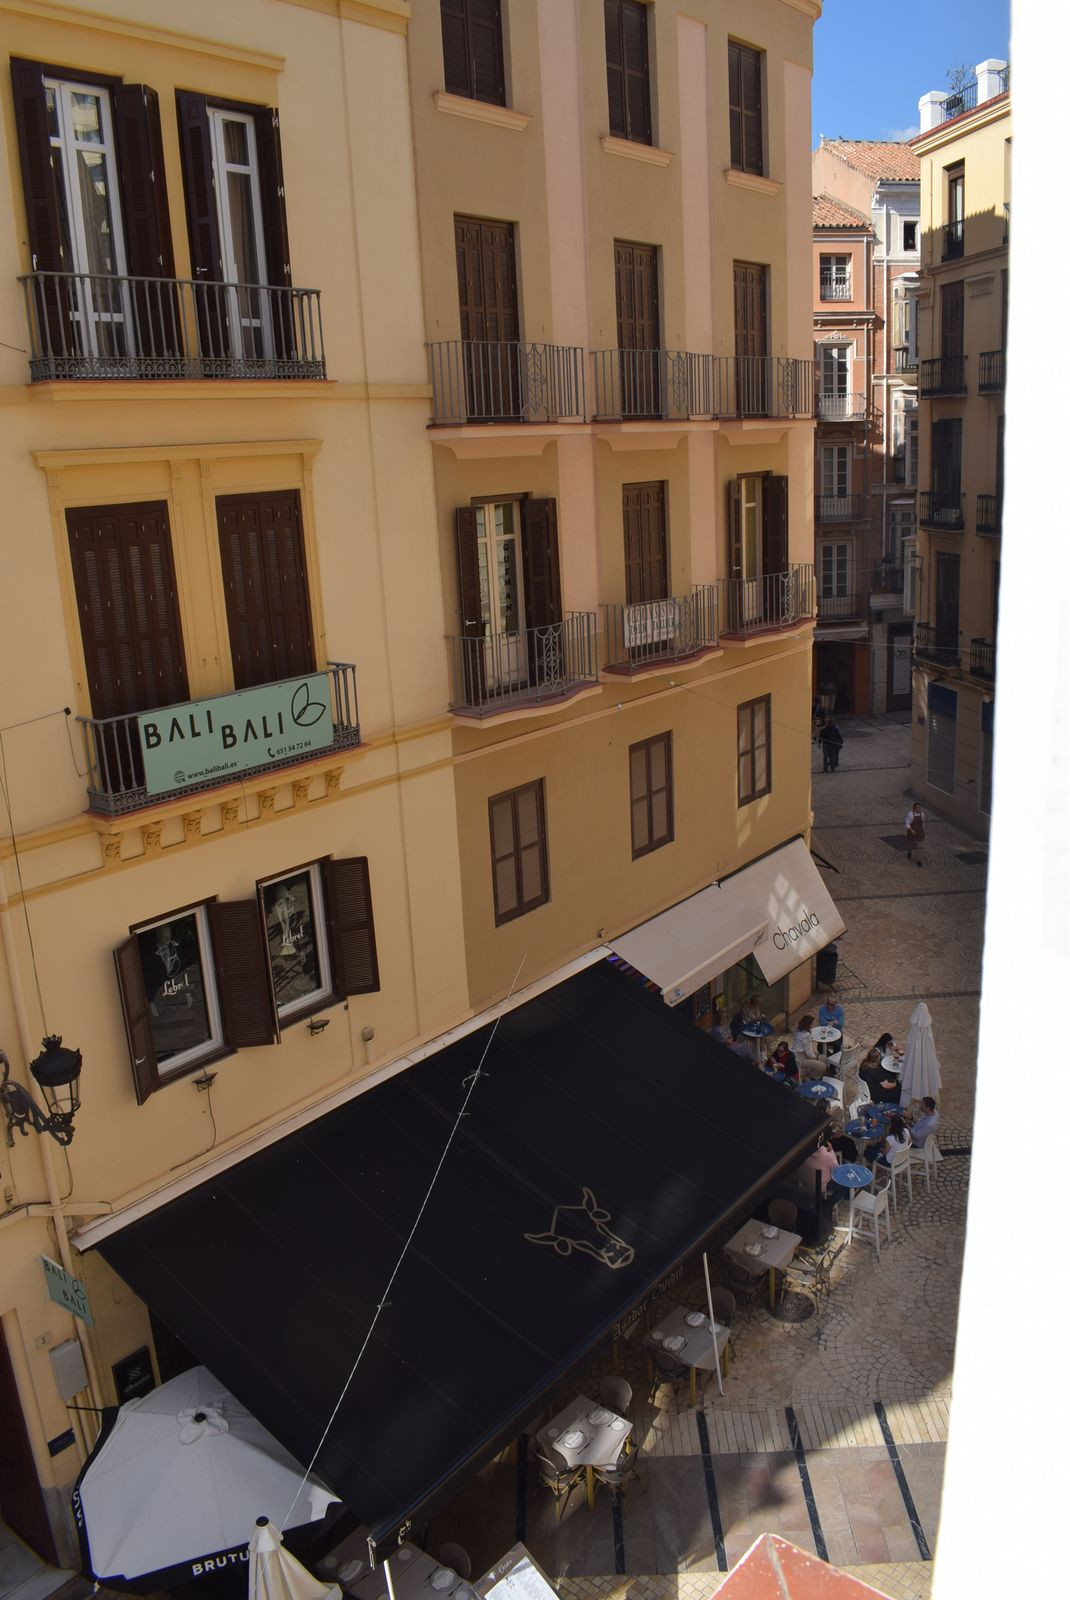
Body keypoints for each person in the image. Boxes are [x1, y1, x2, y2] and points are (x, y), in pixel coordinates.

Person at [791, 1014, 824, 1080]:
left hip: (795, 1055)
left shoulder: (798, 1030)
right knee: (822, 1066)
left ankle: (815, 1074)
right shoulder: (806, 1035)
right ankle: (811, 1078)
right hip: (801, 1058)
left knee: (823, 1058)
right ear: (809, 1025)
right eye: (812, 1024)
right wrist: (815, 1058)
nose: (813, 1025)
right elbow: (808, 1052)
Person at [905, 800, 926, 866]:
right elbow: (907, 824)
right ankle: (909, 852)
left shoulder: (922, 814)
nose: (918, 808)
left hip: (919, 832)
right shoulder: (910, 815)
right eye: (917, 807)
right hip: (912, 832)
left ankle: (918, 860)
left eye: (919, 807)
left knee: (918, 847)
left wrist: (922, 831)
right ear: (914, 808)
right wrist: (911, 830)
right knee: (910, 845)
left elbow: (923, 823)